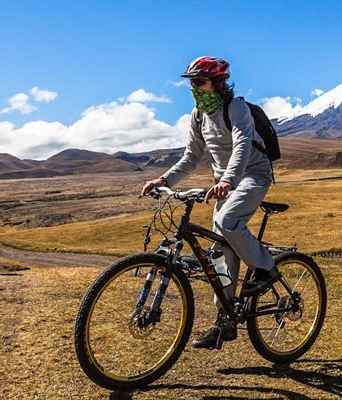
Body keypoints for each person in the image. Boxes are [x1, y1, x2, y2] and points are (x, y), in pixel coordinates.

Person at [140, 56, 279, 349]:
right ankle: (224, 323)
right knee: (220, 249)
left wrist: (228, 181)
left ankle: (266, 268)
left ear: (217, 83)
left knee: (227, 221)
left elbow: (242, 145)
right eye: (191, 82)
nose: (194, 87)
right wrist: (164, 180)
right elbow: (191, 157)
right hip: (224, 182)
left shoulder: (236, 108)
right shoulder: (198, 115)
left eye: (199, 82)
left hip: (253, 175)